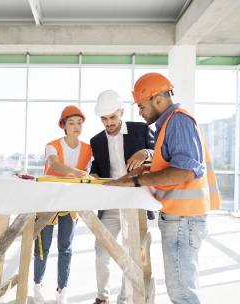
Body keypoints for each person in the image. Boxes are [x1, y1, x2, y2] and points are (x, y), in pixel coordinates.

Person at [105, 73, 221, 304]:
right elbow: (172, 164)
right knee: (182, 289)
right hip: (181, 218)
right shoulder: (169, 123)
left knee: (182, 294)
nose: (139, 112)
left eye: (141, 105)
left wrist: (137, 181)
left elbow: (187, 170)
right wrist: (145, 169)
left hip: (183, 218)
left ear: (157, 99)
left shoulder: (178, 121)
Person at [89, 90, 155, 304]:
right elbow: (98, 167)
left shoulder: (141, 129)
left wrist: (145, 152)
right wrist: (94, 174)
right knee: (101, 250)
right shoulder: (96, 140)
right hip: (110, 204)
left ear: (121, 112)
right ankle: (102, 297)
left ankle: (124, 299)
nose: (108, 123)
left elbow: (160, 154)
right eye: (104, 119)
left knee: (133, 254)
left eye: (112, 117)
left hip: (135, 202)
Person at [33, 105, 93, 304]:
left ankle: (62, 292)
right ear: (63, 126)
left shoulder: (87, 149)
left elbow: (89, 171)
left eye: (79, 123)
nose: (76, 126)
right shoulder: (52, 145)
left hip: (70, 200)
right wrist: (75, 172)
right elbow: (55, 165)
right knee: (43, 246)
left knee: (65, 247)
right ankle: (37, 288)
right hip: (48, 198)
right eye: (71, 123)